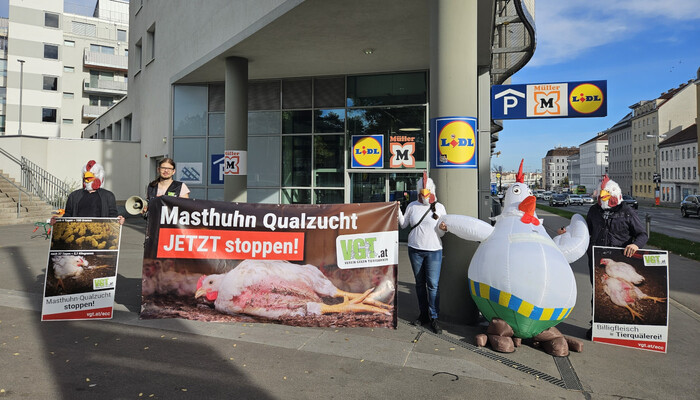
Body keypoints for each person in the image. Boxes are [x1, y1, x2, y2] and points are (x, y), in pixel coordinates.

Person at [559, 175, 648, 339]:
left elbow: (642, 234)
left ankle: (627, 326)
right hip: (596, 259)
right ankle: (598, 324)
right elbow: (586, 231)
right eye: (601, 196)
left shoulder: (627, 212)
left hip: (621, 259)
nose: (603, 199)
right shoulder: (594, 211)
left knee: (626, 288)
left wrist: (635, 245)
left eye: (606, 195)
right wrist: (569, 231)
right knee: (600, 291)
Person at [398, 173, 447, 334]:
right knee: (420, 284)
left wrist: (442, 229)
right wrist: (397, 208)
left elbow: (442, 234)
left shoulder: (439, 208)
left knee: (433, 285)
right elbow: (404, 224)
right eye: (422, 192)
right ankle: (423, 314)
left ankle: (434, 317)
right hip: (415, 249)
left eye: (427, 192)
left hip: (434, 251)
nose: (424, 195)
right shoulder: (412, 206)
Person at [58, 160, 124, 225]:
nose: (87, 178)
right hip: (78, 233)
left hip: (101, 233)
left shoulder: (108, 196)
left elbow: (112, 215)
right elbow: (67, 215)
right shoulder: (74, 196)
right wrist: (57, 221)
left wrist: (118, 219)